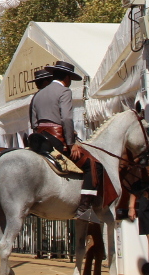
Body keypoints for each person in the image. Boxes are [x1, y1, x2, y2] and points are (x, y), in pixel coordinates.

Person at [26, 61, 103, 219]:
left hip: (39, 138)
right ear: (67, 77)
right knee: (93, 165)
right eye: (70, 79)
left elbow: (34, 123)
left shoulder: (37, 95)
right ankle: (85, 207)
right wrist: (71, 143)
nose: (70, 82)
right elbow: (67, 118)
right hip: (57, 139)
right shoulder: (64, 91)